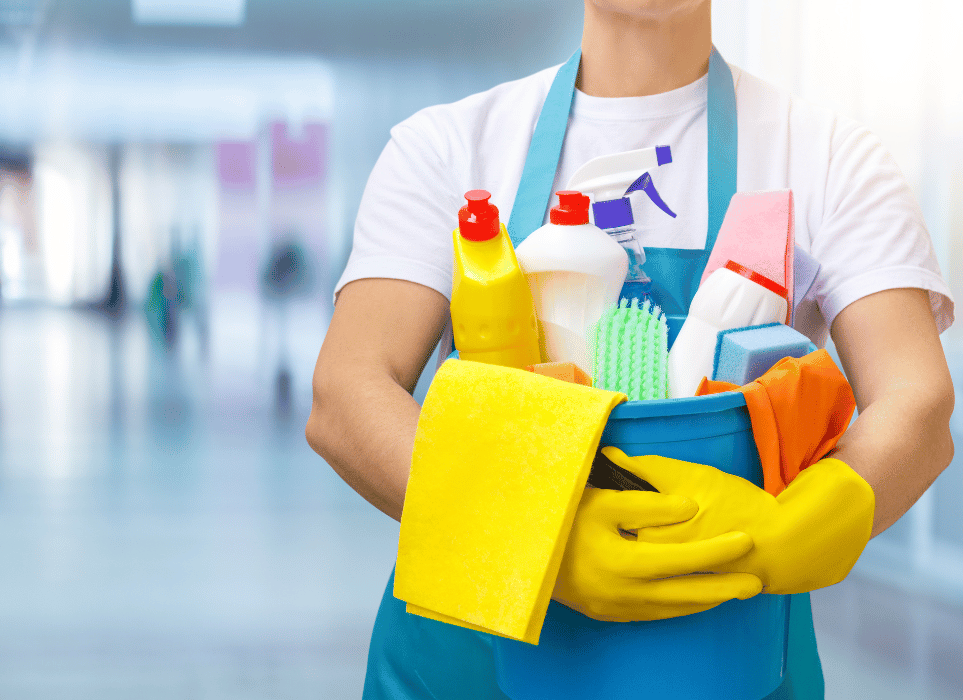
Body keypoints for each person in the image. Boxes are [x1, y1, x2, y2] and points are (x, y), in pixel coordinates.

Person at [306, 1, 956, 698]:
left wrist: (816, 515)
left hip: (720, 646)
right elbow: (348, 392)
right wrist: (529, 529)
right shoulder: (450, 145)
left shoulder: (830, 157)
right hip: (472, 654)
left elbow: (915, 399)